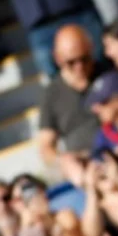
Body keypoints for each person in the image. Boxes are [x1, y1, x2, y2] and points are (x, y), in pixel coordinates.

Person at [38, 25, 103, 181]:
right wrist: (64, 161)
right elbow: (46, 146)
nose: (79, 66)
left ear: (91, 49)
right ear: (57, 58)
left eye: (84, 59)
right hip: (83, 166)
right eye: (71, 62)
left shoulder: (107, 73)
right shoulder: (51, 94)